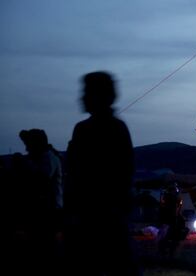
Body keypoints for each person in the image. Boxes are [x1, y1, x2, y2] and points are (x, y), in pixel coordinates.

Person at [65, 71, 136, 275]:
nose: (82, 98)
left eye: (86, 92)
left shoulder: (86, 130)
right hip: (106, 211)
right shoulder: (115, 128)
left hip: (99, 212)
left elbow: (76, 171)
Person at [12, 129, 63, 275]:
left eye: (29, 144)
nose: (27, 148)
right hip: (44, 210)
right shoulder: (42, 158)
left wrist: (23, 165)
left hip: (48, 211)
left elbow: (42, 179)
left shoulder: (48, 158)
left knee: (44, 246)